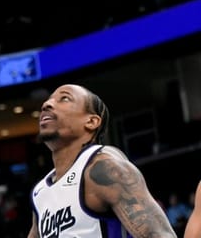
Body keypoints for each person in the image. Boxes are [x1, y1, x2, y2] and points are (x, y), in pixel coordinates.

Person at [27, 83, 176, 238]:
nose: (46, 104)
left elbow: (160, 235)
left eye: (64, 98)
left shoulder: (103, 167)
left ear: (91, 122)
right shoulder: (41, 192)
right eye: (49, 100)